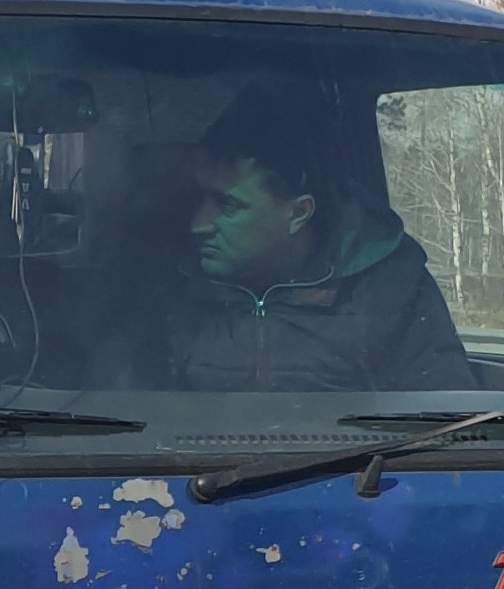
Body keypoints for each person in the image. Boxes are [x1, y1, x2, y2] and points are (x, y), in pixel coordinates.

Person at [174, 85, 476, 397]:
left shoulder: (392, 289)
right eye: (199, 199)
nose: (198, 225)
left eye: (228, 206)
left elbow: (448, 422)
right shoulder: (172, 286)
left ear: (298, 213)